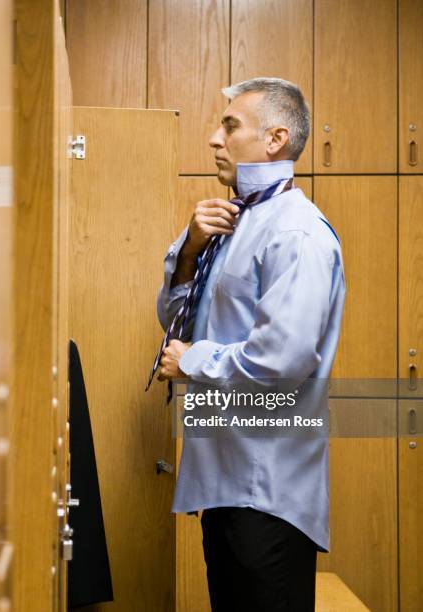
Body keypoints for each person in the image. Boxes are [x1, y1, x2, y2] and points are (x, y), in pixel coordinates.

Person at [155, 78, 346, 611]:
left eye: (230, 126)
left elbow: (283, 360)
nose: (214, 138)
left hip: (267, 492)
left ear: (275, 139)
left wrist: (193, 360)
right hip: (223, 482)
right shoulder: (233, 224)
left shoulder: (297, 233)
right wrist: (191, 250)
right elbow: (176, 318)